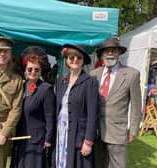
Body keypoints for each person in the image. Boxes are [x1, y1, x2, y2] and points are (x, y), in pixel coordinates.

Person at [90, 38, 142, 168]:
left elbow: (136, 106)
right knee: (97, 164)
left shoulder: (132, 74)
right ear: (102, 55)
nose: (110, 54)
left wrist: (133, 130)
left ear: (119, 53)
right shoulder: (93, 74)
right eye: (107, 51)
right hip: (95, 131)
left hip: (117, 132)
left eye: (114, 50)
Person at [53, 44, 99, 168]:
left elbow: (93, 114)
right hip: (61, 133)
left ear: (83, 61)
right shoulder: (62, 82)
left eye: (79, 57)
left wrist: (88, 141)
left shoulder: (90, 82)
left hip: (78, 135)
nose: (75, 60)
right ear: (67, 60)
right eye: (71, 57)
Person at [10, 46, 56, 168]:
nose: (33, 72)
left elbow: (50, 117)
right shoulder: (21, 87)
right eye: (30, 69)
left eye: (36, 69)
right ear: (25, 70)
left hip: (36, 142)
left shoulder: (46, 89)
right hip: (19, 140)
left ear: (41, 71)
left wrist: (48, 140)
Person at [0, 36, 23, 168]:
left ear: (10, 54)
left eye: (5, 51)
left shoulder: (17, 80)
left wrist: (3, 134)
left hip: (2, 132)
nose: (1, 54)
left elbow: (16, 109)